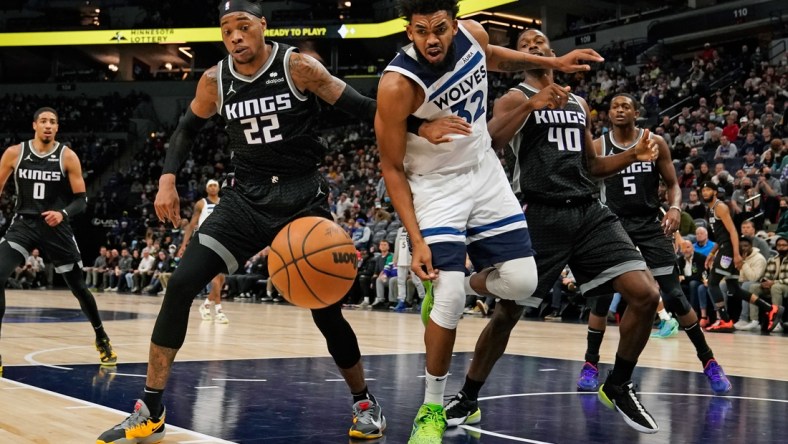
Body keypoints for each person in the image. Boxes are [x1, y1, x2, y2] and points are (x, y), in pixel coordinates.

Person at [97, 2, 400, 441]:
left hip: (301, 197)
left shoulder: (298, 66)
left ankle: (365, 402)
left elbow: (361, 108)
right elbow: (185, 130)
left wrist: (417, 127)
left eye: (243, 27)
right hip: (246, 197)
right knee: (181, 284)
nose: (235, 37)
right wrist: (167, 178)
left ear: (262, 26)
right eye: (226, 31)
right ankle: (152, 408)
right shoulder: (213, 80)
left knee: (325, 309)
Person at [376, 2, 603, 442]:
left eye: (440, 28)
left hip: (483, 171)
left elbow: (496, 57)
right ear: (409, 31)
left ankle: (466, 283)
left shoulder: (475, 35)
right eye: (421, 31)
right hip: (435, 185)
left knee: (521, 284)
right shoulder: (397, 85)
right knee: (448, 298)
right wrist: (417, 239)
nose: (432, 39)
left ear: (454, 23)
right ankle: (432, 408)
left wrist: (551, 62)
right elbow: (390, 165)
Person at [443, 29, 662, 435]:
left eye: (537, 41)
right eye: (523, 45)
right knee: (507, 312)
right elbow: (490, 141)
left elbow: (593, 167)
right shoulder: (513, 97)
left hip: (588, 211)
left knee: (646, 295)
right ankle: (468, 397)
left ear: (551, 52)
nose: (531, 47)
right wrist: (530, 105)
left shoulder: (579, 103)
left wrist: (631, 155)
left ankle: (618, 384)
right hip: (541, 214)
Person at [575, 93, 730, 396]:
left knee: (673, 295)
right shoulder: (598, 146)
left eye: (626, 106)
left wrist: (674, 208)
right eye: (615, 106)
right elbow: (586, 185)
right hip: (612, 225)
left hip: (649, 224)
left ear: (636, 112)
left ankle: (709, 360)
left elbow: (673, 185)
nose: (620, 110)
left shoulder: (655, 141)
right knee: (602, 298)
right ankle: (591, 364)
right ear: (608, 114)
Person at [0, 107, 117, 376]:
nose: (48, 125)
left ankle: (101, 337)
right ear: (34, 125)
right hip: (24, 224)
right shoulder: (14, 154)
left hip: (56, 228)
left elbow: (81, 199)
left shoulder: (67, 156)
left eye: (53, 122)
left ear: (57, 127)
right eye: (43, 121)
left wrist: (62, 213)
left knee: (79, 288)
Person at [699, 181, 784, 333]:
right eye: (703, 190)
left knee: (712, 283)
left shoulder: (720, 207)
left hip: (728, 252)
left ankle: (725, 320)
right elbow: (721, 235)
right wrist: (711, 253)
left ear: (715, 192)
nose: (704, 192)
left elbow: (733, 232)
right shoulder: (710, 209)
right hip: (724, 249)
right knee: (734, 288)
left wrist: (737, 255)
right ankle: (771, 309)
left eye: (708, 190)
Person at [178, 179, 228, 324]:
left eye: (215, 185)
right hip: (205, 240)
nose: (213, 188)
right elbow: (192, 224)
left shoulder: (224, 203)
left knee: (221, 278)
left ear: (218, 188)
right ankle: (218, 310)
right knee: (216, 277)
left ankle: (206, 305)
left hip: (221, 240)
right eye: (210, 185)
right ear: (207, 189)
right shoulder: (201, 203)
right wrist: (183, 245)